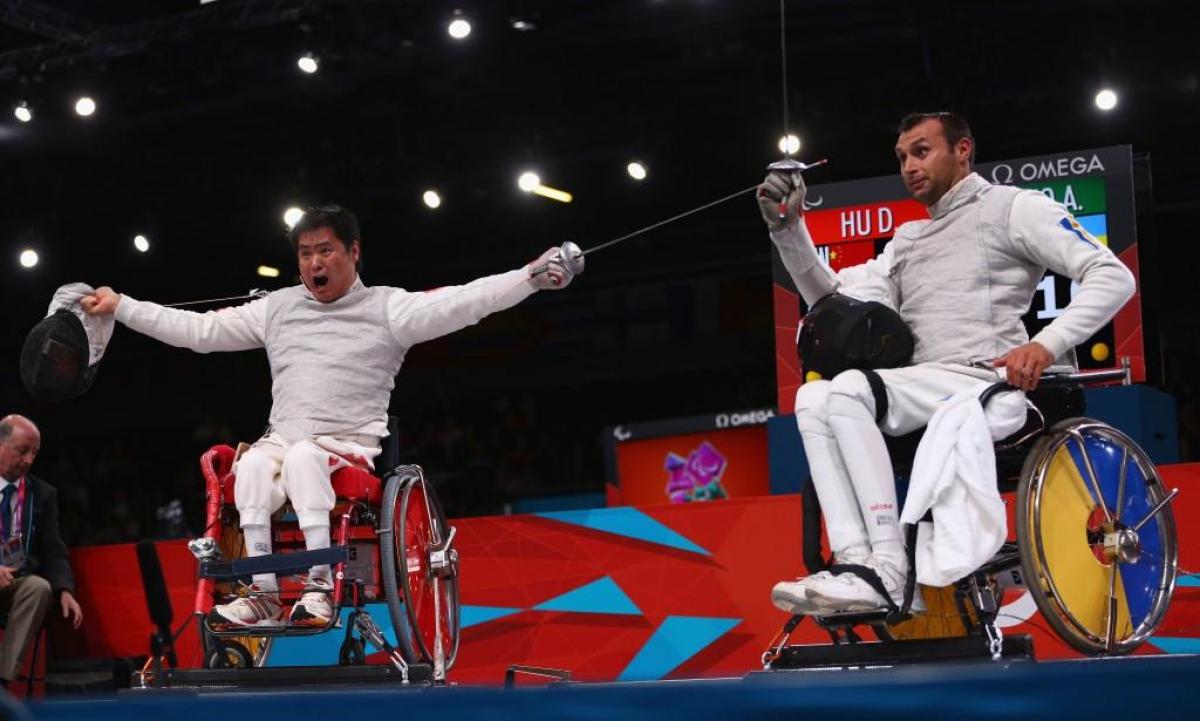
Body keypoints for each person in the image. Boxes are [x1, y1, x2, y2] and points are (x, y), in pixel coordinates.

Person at [81, 205, 574, 629]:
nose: (313, 263)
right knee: (251, 465)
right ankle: (265, 594)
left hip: (348, 447)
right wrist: (122, 306)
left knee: (301, 458)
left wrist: (530, 277)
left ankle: (320, 586)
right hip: (284, 441)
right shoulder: (277, 308)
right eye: (304, 253)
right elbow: (198, 330)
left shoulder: (388, 309)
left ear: (353, 252)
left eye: (325, 251)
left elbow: (466, 301)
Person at [759, 112, 1136, 614]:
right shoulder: (907, 241)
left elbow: (1112, 276)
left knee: (849, 389)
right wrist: (789, 229)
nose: (909, 166)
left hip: (985, 380)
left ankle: (890, 572)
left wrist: (1045, 345)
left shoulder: (1011, 208)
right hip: (922, 386)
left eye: (921, 151)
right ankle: (855, 562)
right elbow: (830, 300)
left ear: (962, 150)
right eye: (901, 158)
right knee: (813, 395)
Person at [0, 415, 84, 687]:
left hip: (15, 583)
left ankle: (2, 680)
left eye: (34, 453)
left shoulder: (42, 494)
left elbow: (53, 548)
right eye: (22, 451)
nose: (29, 460)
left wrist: (65, 590)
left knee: (38, 587)